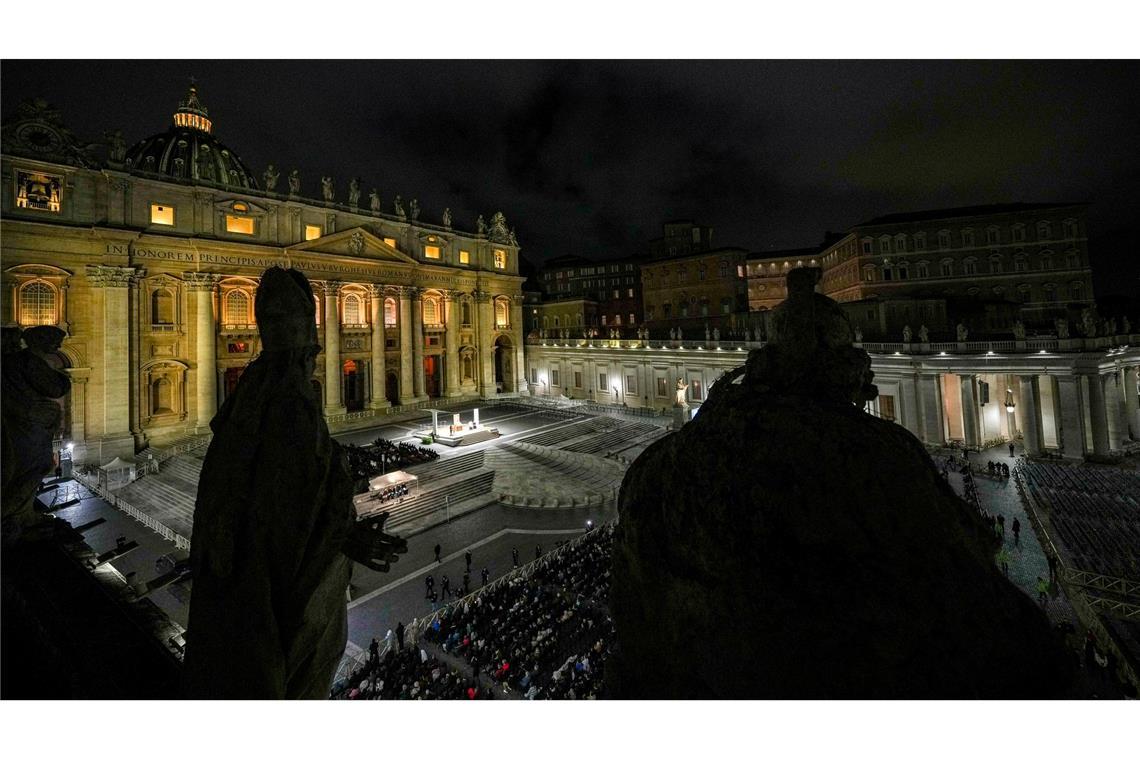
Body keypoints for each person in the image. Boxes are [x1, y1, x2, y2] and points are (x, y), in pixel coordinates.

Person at [183, 267, 407, 699]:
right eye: (311, 354)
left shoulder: (246, 399)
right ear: (304, 353)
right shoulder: (293, 407)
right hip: (275, 596)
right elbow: (287, 512)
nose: (312, 362)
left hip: (237, 587)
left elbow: (279, 501)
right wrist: (345, 535)